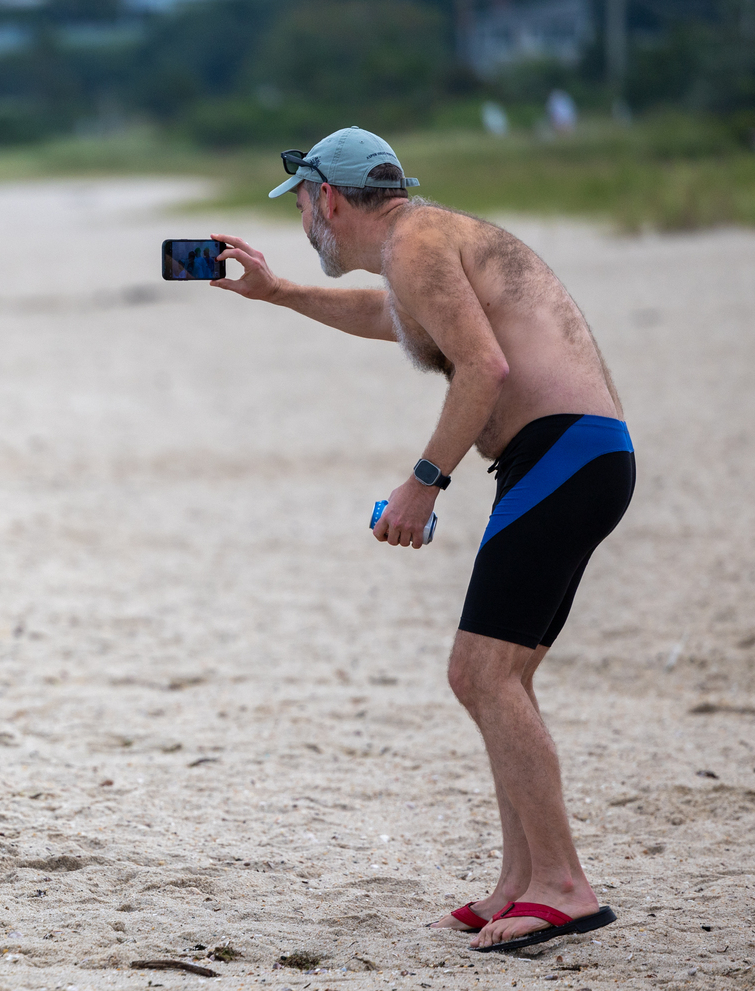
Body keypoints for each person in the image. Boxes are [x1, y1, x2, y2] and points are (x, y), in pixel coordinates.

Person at [212, 126, 632, 953]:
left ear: (326, 197)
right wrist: (283, 293)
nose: (304, 222)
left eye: (301, 205)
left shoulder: (417, 239)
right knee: (501, 676)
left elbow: (484, 368)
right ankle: (523, 878)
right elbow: (397, 316)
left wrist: (424, 480)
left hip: (563, 457)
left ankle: (563, 885)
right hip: (578, 458)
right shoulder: (425, 241)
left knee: (477, 672)